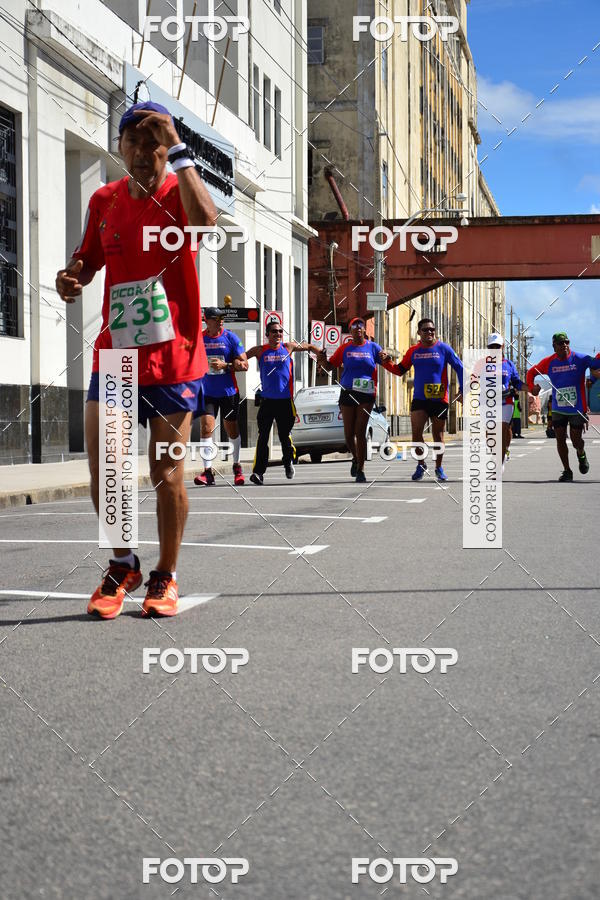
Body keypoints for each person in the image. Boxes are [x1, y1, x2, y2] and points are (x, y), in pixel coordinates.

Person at [55, 101, 217, 618]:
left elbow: (205, 220)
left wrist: (181, 146)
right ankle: (122, 562)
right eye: (135, 141)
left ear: (167, 147)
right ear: (119, 146)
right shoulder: (105, 199)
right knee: (106, 465)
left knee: (166, 472)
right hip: (117, 353)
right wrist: (73, 274)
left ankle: (165, 576)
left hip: (174, 356)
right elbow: (89, 257)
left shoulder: (180, 191)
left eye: (155, 142)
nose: (145, 152)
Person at [387, 318, 463, 482]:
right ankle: (421, 464)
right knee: (416, 434)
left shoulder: (443, 348)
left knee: (438, 436)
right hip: (420, 398)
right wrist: (386, 362)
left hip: (439, 398)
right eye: (426, 330)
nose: (430, 332)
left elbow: (459, 367)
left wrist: (463, 390)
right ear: (419, 333)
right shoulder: (413, 351)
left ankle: (438, 467)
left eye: (432, 329)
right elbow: (400, 370)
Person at [317, 317, 392, 483]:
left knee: (360, 431)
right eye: (354, 325)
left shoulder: (373, 347)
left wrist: (388, 357)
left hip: (366, 393)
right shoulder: (344, 348)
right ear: (350, 331)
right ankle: (356, 458)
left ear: (364, 330)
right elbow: (330, 366)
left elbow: (386, 361)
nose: (358, 328)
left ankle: (361, 470)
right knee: (348, 434)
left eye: (361, 325)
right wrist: (322, 360)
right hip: (348, 391)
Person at [245, 322, 319, 484]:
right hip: (267, 401)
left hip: (285, 402)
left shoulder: (288, 347)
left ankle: (288, 461)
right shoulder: (260, 350)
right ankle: (258, 473)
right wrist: (235, 363)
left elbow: (307, 347)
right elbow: (243, 357)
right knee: (262, 437)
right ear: (267, 334)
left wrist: (318, 351)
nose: (278, 334)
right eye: (274, 331)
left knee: (285, 436)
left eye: (280, 331)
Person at [527, 332, 600, 482]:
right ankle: (567, 471)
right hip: (558, 408)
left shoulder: (580, 358)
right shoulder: (548, 362)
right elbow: (531, 372)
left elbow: (596, 363)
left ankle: (581, 453)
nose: (564, 345)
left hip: (577, 407)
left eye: (567, 342)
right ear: (554, 347)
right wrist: (531, 387)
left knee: (576, 440)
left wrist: (593, 376)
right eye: (560, 343)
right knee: (560, 439)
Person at [194, 306, 248, 486]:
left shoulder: (230, 337)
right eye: (216, 319)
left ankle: (236, 465)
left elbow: (244, 364)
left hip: (228, 392)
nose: (220, 321)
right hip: (207, 392)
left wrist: (225, 365)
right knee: (206, 428)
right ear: (207, 320)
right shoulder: (199, 338)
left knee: (231, 429)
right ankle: (207, 472)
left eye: (222, 318)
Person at [487, 333, 535, 468]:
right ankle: (498, 452)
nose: (495, 349)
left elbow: (517, 383)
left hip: (506, 401)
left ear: (502, 346)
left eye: (497, 346)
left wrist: (530, 388)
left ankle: (499, 462)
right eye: (492, 346)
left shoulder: (508, 364)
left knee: (502, 429)